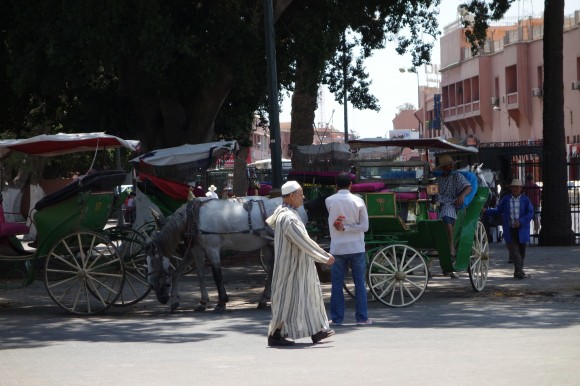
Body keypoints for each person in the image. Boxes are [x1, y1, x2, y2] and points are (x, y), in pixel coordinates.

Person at [266, 180, 336, 346]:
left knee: (309, 297)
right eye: (300, 194)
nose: (303, 197)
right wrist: (324, 256)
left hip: (298, 265)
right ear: (291, 196)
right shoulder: (289, 218)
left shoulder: (284, 212)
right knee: (287, 301)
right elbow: (303, 241)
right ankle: (276, 334)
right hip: (291, 268)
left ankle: (317, 331)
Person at [325, 172, 371, 326]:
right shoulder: (358, 201)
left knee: (336, 284)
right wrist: (349, 227)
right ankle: (362, 318)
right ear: (351, 185)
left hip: (337, 248)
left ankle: (337, 318)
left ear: (336, 185)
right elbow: (365, 227)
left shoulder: (329, 201)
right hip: (356, 246)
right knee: (359, 283)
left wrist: (343, 227)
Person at [484, 178, 534, 279]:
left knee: (521, 252)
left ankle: (517, 272)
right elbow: (498, 210)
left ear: (520, 188)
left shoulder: (525, 200)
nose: (515, 189)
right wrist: (486, 211)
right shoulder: (506, 199)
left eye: (517, 187)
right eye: (513, 187)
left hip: (521, 230)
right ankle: (520, 271)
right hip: (509, 230)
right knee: (514, 252)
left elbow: (530, 213)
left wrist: (520, 221)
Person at [434, 154, 472, 278]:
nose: (450, 167)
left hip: (450, 203)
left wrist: (461, 196)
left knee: (446, 215)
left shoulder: (457, 176)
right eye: (447, 165)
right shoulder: (437, 179)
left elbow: (468, 187)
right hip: (435, 204)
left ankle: (451, 246)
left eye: (450, 165)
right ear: (443, 167)